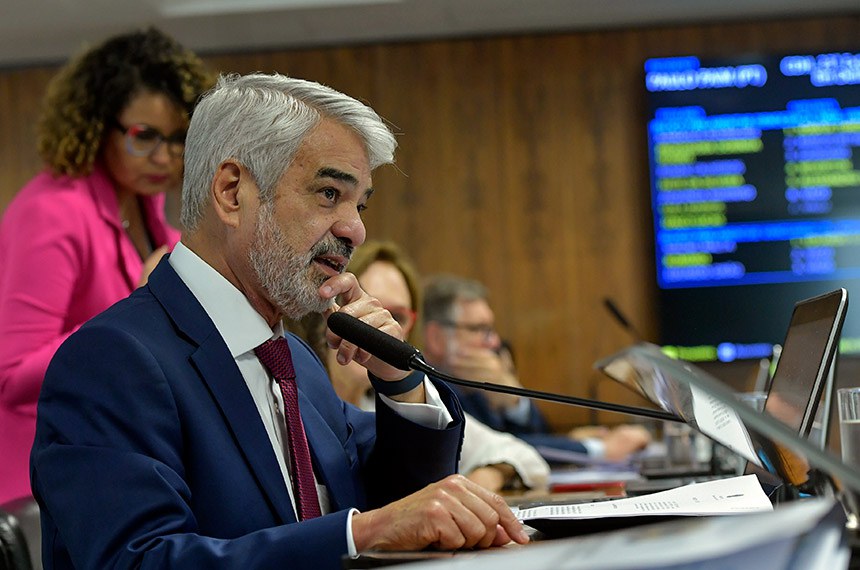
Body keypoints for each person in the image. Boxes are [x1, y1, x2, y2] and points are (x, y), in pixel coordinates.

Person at [30, 72, 528, 570]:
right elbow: (136, 561)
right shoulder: (112, 361)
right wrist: (362, 531)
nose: (355, 229)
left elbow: (405, 509)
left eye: (361, 204)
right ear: (231, 192)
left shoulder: (296, 364)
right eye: (330, 193)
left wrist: (398, 379)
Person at [0, 28, 212, 505]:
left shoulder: (152, 213)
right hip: (40, 486)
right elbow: (12, 378)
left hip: (120, 466)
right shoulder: (52, 212)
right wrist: (135, 305)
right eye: (144, 137)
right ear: (98, 124)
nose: (164, 158)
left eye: (178, 139)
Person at [290, 240, 550, 492]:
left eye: (397, 317)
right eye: (366, 306)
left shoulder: (404, 405)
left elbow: (525, 457)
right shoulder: (295, 404)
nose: (382, 327)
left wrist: (484, 477)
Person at [422, 274, 652, 462]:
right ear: (436, 339)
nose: (493, 342)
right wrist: (596, 449)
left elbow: (527, 439)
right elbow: (496, 451)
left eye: (490, 329)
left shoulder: (472, 384)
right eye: (478, 329)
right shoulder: (427, 393)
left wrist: (511, 400)